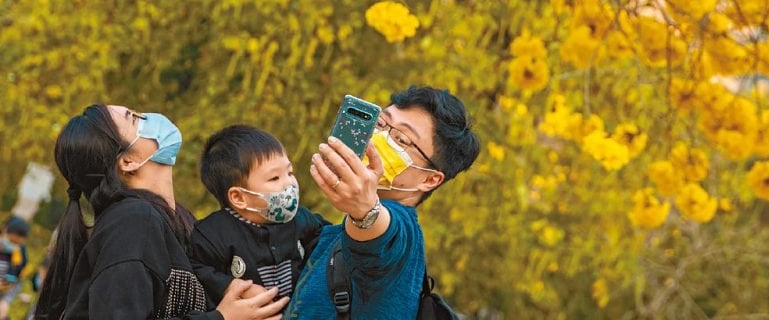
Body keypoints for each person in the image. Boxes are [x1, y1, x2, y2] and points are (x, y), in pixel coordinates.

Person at [34, 104, 289, 320]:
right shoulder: (131, 224)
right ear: (127, 161)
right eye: (134, 118)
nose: (149, 118)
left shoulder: (175, 221)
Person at [283, 85, 481, 319]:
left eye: (400, 139)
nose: (379, 140)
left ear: (429, 179)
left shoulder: (404, 238)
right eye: (380, 124)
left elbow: (382, 233)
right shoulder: (331, 234)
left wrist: (365, 211)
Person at [189, 125, 328, 306]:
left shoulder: (301, 219)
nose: (289, 184)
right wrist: (232, 286)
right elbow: (195, 267)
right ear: (239, 197)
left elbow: (331, 239)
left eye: (289, 172)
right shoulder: (212, 234)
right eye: (274, 178)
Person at [0, 215, 30, 320]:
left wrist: (6, 301)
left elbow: (18, 281)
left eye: (17, 243)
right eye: (11, 242)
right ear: (4, 231)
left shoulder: (20, 258)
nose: (13, 246)